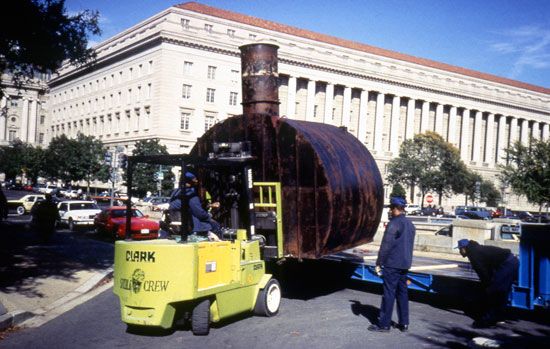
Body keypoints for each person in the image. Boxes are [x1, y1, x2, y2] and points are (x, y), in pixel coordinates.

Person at [368, 196, 416, 333]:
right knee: (403, 293)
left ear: (395, 208)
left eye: (390, 208)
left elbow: (386, 245)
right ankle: (404, 323)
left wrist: (379, 262)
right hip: (404, 264)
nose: (389, 211)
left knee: (389, 293)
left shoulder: (394, 223)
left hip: (392, 264)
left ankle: (384, 324)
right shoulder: (410, 224)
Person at [456, 239, 519, 328]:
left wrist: (487, 285)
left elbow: (482, 271)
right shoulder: (476, 249)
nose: (460, 252)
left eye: (460, 249)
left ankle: (488, 320)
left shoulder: (473, 254)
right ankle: (500, 316)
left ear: (464, 248)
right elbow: (487, 267)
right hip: (511, 261)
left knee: (495, 291)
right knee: (502, 291)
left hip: (507, 263)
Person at [169, 172, 221, 241]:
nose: (197, 182)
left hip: (179, 224)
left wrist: (208, 205)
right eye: (195, 180)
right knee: (216, 225)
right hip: (196, 227)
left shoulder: (175, 193)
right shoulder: (190, 194)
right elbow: (199, 213)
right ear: (191, 182)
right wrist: (209, 217)